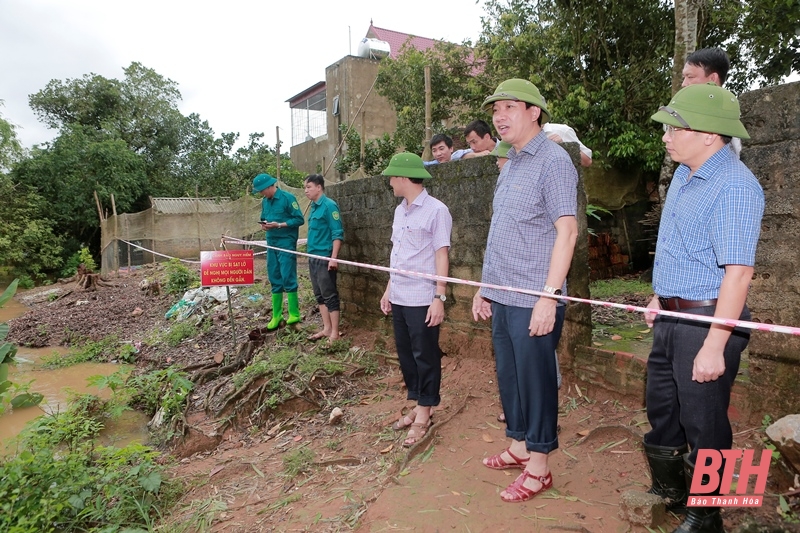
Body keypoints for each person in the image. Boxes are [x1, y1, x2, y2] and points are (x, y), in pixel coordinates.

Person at [643, 83, 763, 533]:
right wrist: (661, 293)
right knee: (662, 407)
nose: (666, 136)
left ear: (710, 136)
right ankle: (672, 489)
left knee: (705, 419)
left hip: (709, 319)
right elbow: (678, 245)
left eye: (676, 128)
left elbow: (738, 274)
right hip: (673, 313)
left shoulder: (735, 187)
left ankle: (707, 513)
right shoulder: (683, 174)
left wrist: (716, 343)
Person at [472, 78, 578, 503]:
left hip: (535, 297)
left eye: (510, 107)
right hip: (504, 295)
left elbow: (566, 231)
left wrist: (549, 297)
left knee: (535, 383)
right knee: (510, 377)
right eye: (496, 109)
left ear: (534, 112)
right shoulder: (511, 162)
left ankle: (540, 467)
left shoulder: (553, 161)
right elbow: (501, 232)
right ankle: (519, 446)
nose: (500, 116)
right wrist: (484, 289)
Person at [379, 152, 452, 448]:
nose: (389, 183)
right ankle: (420, 403)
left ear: (403, 177)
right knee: (407, 354)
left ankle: (425, 412)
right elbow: (397, 253)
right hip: (399, 294)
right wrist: (388, 288)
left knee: (425, 355)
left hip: (423, 296)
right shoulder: (400, 211)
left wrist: (439, 297)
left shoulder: (437, 211)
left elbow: (441, 254)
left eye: (391, 177)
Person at [253, 173, 305, 330]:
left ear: (270, 186)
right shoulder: (265, 201)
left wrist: (279, 225)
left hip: (286, 242)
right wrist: (265, 225)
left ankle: (294, 313)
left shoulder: (288, 198)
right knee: (274, 276)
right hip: (271, 243)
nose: (261, 194)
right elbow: (264, 217)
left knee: (288, 275)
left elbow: (299, 219)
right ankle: (277, 315)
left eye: (262, 190)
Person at [303, 174, 345, 342]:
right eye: (305, 188)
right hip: (312, 256)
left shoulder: (329, 206)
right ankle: (326, 328)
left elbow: (337, 234)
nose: (306, 191)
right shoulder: (314, 207)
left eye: (309, 187)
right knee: (319, 295)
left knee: (329, 294)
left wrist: (333, 258)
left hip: (324, 257)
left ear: (319, 187)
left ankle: (335, 332)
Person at [681, 47, 742, 157]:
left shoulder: (726, 115)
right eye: (683, 77)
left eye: (690, 77)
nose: (684, 84)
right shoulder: (687, 111)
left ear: (712, 78)